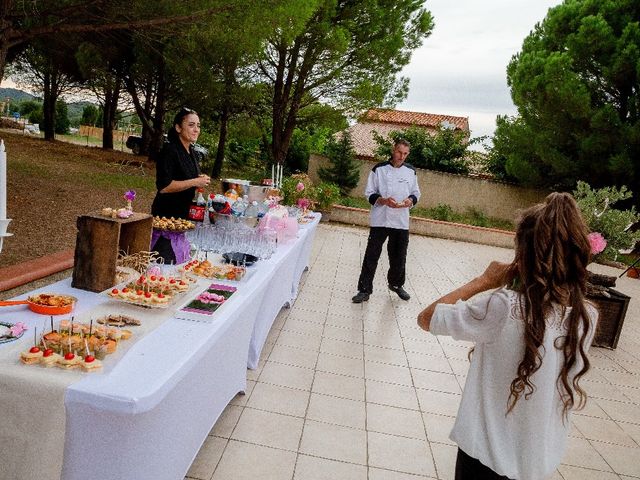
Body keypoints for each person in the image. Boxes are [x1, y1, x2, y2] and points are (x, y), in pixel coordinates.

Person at [417, 192, 598, 480]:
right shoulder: (584, 315)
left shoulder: (504, 307)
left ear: (522, 253)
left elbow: (427, 318)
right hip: (537, 459)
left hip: (485, 456)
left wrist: (484, 281)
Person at [352, 138, 420, 303]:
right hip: (380, 219)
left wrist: (409, 201)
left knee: (399, 256)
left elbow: (416, 193)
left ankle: (396, 285)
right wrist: (383, 200)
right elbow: (369, 193)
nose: (401, 156)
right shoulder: (379, 169)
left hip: (401, 220)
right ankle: (364, 290)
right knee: (372, 255)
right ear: (393, 150)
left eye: (405, 154)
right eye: (399, 152)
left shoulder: (411, 171)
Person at [151, 107, 210, 264]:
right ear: (178, 127)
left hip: (182, 220)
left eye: (198, 125)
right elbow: (164, 186)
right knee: (163, 266)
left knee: (179, 266)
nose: (196, 129)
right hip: (166, 219)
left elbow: (187, 177)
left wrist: (199, 179)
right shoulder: (169, 150)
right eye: (191, 125)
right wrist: (194, 182)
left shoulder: (192, 151)